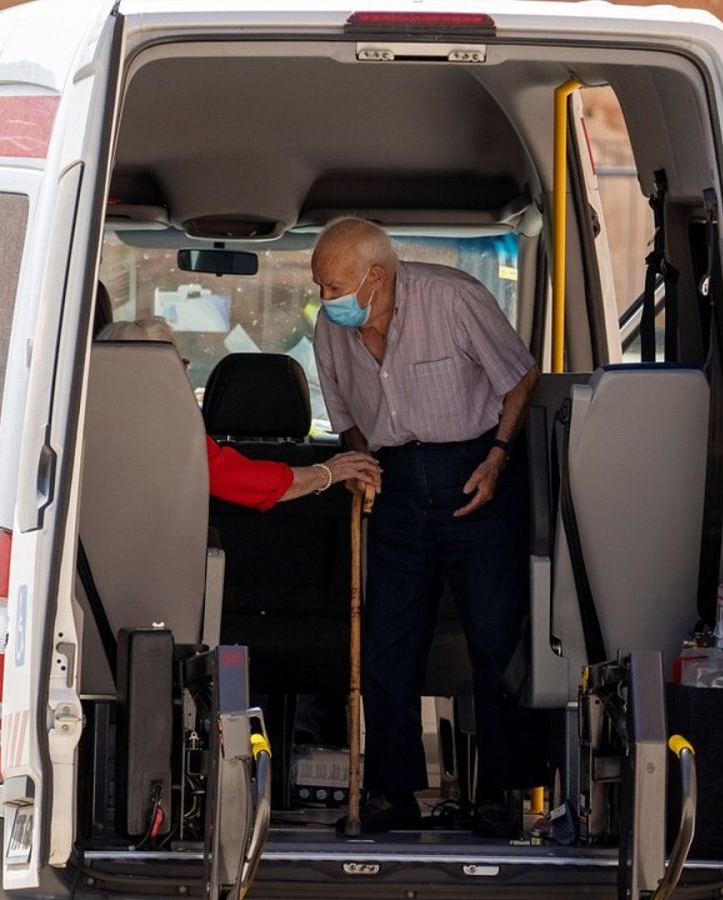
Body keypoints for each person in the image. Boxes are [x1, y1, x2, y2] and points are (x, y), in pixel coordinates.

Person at [310, 216, 543, 838]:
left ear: (375, 278)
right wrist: (362, 460)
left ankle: (500, 792)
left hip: (474, 469)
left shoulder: (454, 298)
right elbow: (342, 411)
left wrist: (498, 456)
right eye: (320, 287)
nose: (323, 300)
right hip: (394, 479)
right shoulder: (331, 330)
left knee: (494, 636)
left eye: (333, 287)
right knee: (388, 642)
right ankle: (392, 793)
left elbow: (520, 375)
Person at [96, 317, 380, 509]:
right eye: (179, 363)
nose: (184, 371)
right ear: (160, 371)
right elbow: (248, 481)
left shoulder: (75, 430)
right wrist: (326, 473)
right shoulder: (172, 440)